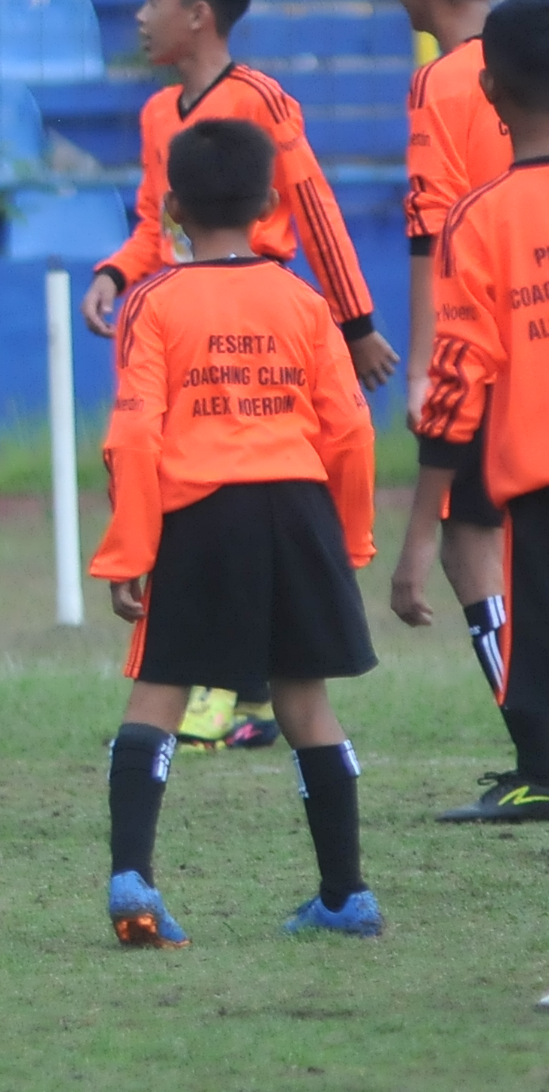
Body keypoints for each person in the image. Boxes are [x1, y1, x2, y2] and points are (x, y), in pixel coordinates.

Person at [80, 0, 394, 751]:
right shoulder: (158, 115)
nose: (141, 18)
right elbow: (156, 223)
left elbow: (313, 205)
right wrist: (117, 272)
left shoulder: (260, 98)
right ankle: (225, 679)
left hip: (260, 312)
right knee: (194, 488)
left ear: (199, 14)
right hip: (179, 321)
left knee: (255, 477)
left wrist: (355, 325)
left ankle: (236, 687)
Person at [89, 117, 383, 945]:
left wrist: (130, 548)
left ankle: (132, 883)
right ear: (266, 205)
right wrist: (350, 539)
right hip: (296, 508)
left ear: (172, 206)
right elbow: (352, 432)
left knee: (160, 690)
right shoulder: (302, 300)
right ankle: (346, 895)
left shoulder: (154, 301)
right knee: (304, 700)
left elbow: (134, 436)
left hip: (199, 511)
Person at [411, 0, 549, 824]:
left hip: (534, 473)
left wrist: (421, 529)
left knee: (534, 632)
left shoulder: (482, 217)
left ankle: (538, 772)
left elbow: (460, 379)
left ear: (489, 89)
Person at [388, 0, 516, 752]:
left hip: (488, 341)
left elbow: (434, 229)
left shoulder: (442, 82)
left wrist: (426, 366)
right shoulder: (526, 59)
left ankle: (534, 738)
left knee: (471, 541)